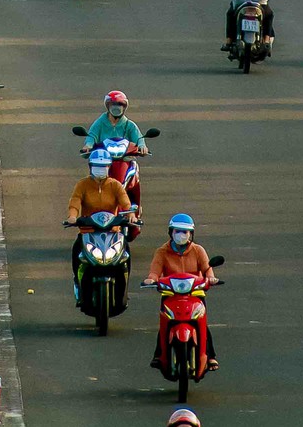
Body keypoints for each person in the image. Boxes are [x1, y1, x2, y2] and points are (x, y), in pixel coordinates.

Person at [146, 215, 220, 371]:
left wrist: (211, 279)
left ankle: (210, 355)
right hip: (170, 294)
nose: (182, 235)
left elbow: (207, 270)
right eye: (178, 231)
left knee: (202, 323)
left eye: (186, 232)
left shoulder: (198, 250)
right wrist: (151, 280)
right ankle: (159, 355)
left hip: (195, 293)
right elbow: (154, 272)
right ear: (171, 233)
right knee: (166, 323)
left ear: (191, 234)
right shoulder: (162, 252)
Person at [64, 147, 136, 280]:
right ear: (90, 167)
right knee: (76, 251)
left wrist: (130, 215)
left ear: (109, 167)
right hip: (88, 231)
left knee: (125, 254)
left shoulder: (115, 185)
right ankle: (78, 283)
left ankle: (123, 291)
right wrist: (72, 217)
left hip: (112, 232)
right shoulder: (82, 185)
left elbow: (125, 202)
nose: (101, 169)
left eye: (104, 166)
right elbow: (75, 202)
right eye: (97, 166)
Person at [82, 90, 149, 159]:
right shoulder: (99, 123)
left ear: (124, 107)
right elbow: (92, 136)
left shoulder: (130, 125)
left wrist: (142, 146)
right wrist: (88, 145)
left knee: (133, 168)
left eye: (120, 104)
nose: (116, 107)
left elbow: (138, 139)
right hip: (103, 160)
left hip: (126, 160)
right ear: (108, 106)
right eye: (113, 104)